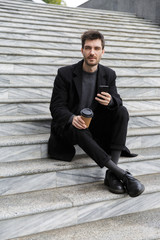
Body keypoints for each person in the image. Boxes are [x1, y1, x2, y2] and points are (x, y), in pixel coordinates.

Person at [48, 30, 145, 198]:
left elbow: (117, 99)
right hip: (70, 127)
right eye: (88, 48)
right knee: (78, 126)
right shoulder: (65, 74)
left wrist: (111, 101)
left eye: (96, 48)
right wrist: (72, 118)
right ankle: (121, 174)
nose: (92, 52)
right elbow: (56, 107)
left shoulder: (108, 74)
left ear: (102, 51)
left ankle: (112, 174)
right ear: (82, 50)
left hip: (94, 126)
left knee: (121, 111)